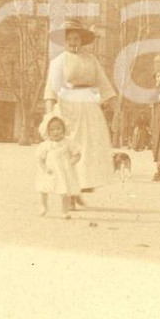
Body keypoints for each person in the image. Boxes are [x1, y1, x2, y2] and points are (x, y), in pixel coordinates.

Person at [42, 19, 116, 199]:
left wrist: (115, 107)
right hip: (68, 104)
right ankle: (69, 189)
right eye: (70, 39)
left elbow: (104, 84)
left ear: (82, 40)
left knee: (90, 146)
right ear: (65, 41)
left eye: (76, 38)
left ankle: (83, 184)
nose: (73, 42)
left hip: (89, 105)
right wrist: (50, 113)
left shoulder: (91, 59)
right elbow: (51, 89)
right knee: (70, 145)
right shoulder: (59, 61)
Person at [34, 112, 81, 218]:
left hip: (64, 170)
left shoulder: (68, 142)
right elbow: (40, 159)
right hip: (50, 170)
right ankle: (43, 206)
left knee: (65, 191)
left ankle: (65, 211)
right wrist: (44, 168)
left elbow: (77, 153)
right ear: (47, 132)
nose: (55, 131)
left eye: (58, 128)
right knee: (43, 189)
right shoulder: (46, 145)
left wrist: (74, 160)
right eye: (52, 129)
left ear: (63, 129)